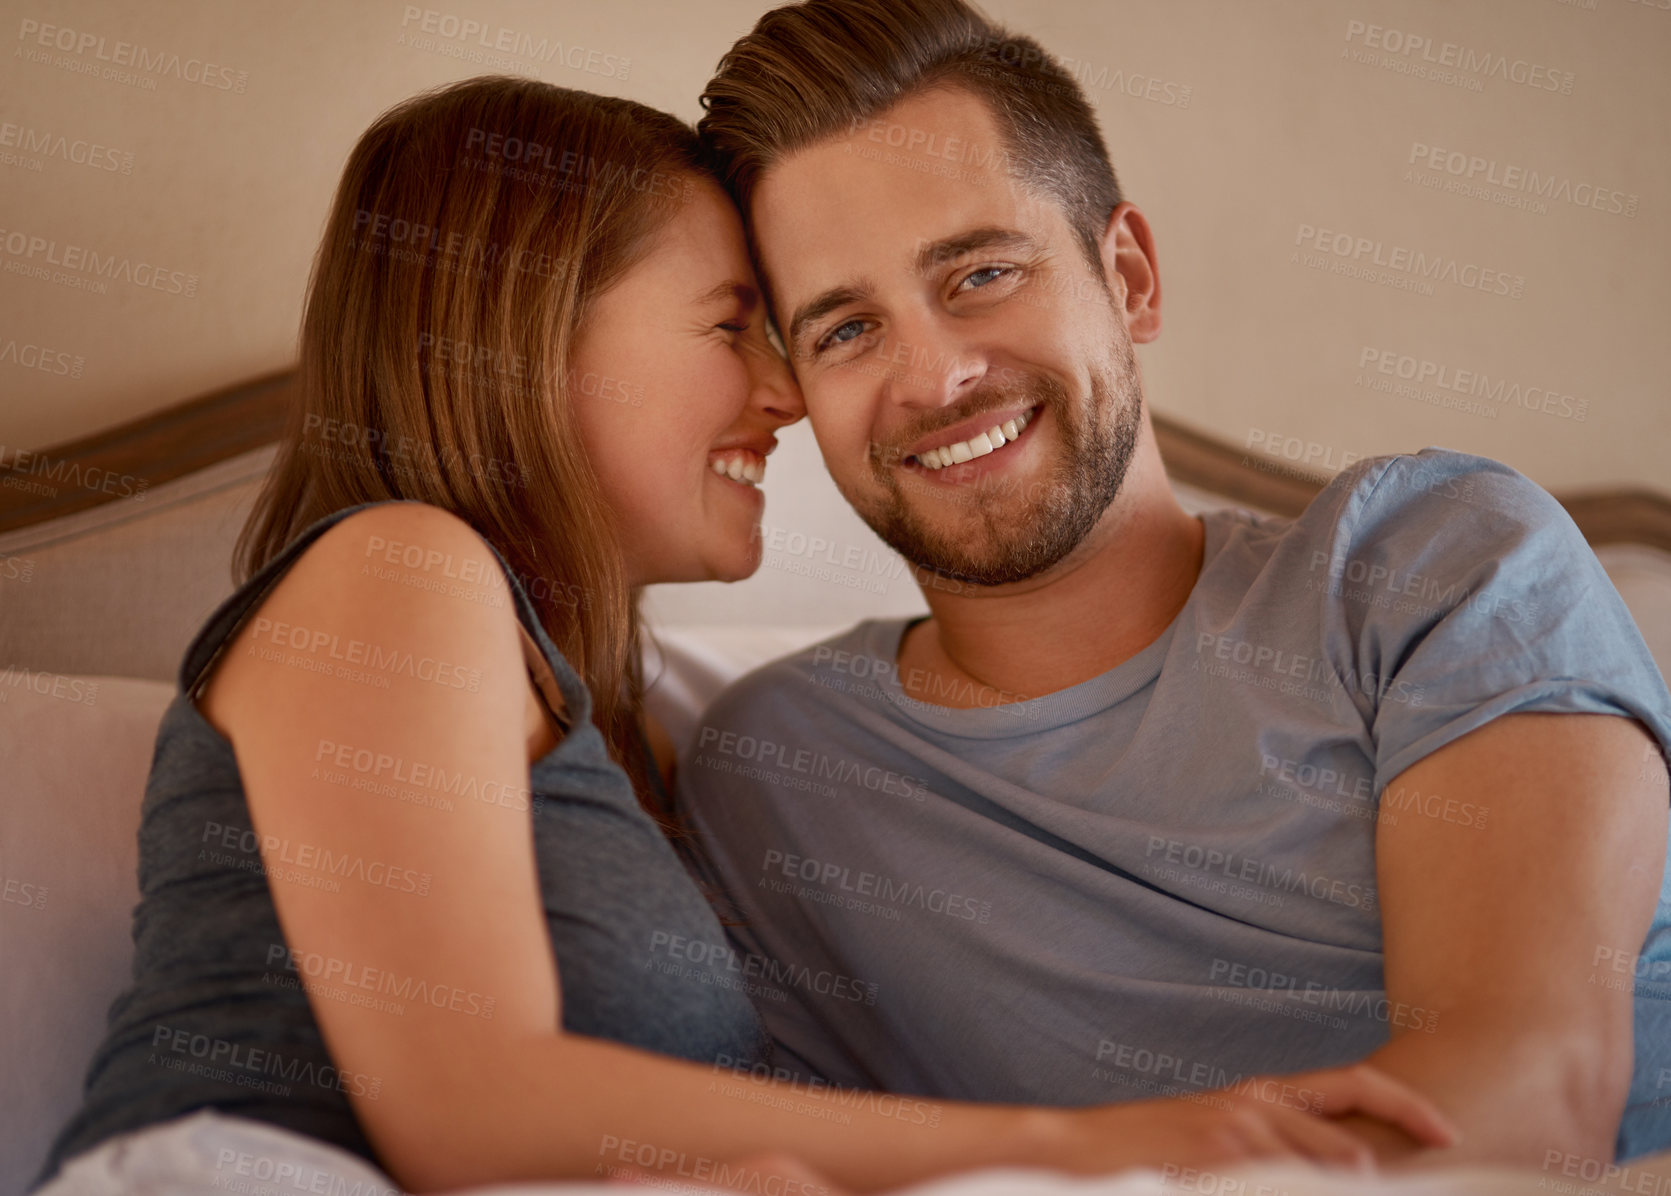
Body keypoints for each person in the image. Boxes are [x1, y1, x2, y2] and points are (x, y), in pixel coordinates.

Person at [29, 76, 1456, 1196]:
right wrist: (1105, 1148)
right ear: (532, 336)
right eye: (734, 325)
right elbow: (473, 1110)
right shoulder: (396, 570)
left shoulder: (622, 722)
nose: (784, 393)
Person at [677, 0, 1671, 1171]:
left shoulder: (1430, 559)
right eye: (845, 330)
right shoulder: (776, 769)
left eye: (983, 272)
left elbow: (1516, 1109)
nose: (936, 376)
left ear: (1130, 276)